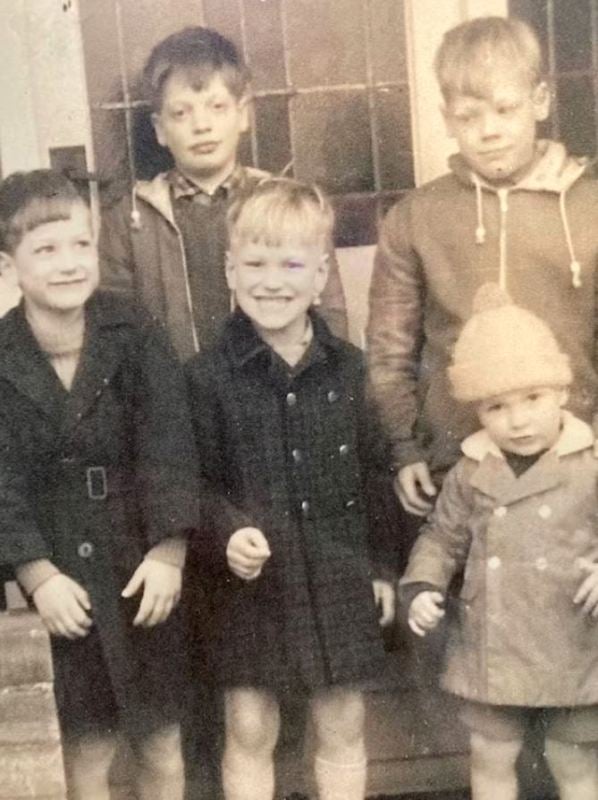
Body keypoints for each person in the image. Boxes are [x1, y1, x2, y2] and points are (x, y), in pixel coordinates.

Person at [186, 178, 395, 800]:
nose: (271, 281)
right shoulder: (203, 377)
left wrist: (382, 568)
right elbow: (189, 483)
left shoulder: (350, 369)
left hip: (337, 573)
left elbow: (375, 474)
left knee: (342, 719)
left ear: (321, 274)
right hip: (247, 582)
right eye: (255, 264)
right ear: (230, 270)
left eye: (291, 265)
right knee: (250, 725)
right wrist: (227, 533)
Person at [0, 169, 198, 800]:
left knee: (161, 739)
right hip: (62, 578)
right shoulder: (2, 354)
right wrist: (37, 575)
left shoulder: (132, 331)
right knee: (88, 745)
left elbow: (169, 442)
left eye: (81, 244)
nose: (68, 263)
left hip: (140, 567)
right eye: (46, 249)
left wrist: (169, 551)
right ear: (8, 265)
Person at [367, 16, 598, 519]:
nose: (489, 131)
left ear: (540, 101)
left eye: (505, 109)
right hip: (459, 472)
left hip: (580, 467)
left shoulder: (590, 208)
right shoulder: (415, 217)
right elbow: (390, 352)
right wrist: (404, 446)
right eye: (469, 116)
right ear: (447, 119)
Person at [401, 284, 598, 800]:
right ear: (479, 411)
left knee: (573, 759)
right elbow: (441, 537)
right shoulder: (472, 470)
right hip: (493, 641)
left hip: (574, 641)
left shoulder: (589, 464)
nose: (518, 419)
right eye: (497, 406)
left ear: (561, 392)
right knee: (491, 752)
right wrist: (423, 586)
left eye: (533, 398)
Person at [99, 25, 347, 361]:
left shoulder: (287, 206)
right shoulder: (130, 218)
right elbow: (114, 333)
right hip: (171, 389)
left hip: (271, 387)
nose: (201, 125)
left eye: (216, 107)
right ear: (160, 129)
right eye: (181, 113)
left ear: (242, 115)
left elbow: (329, 314)